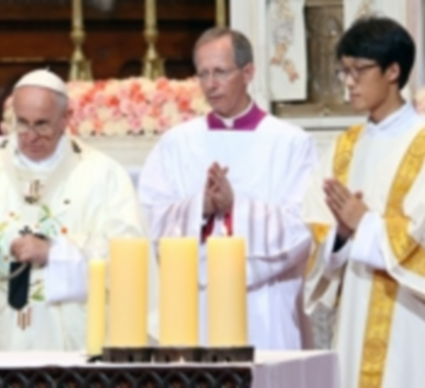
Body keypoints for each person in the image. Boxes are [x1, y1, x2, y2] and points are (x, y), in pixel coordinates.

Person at [0, 69, 148, 350]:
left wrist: (55, 253)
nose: (31, 136)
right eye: (22, 124)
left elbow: (129, 253)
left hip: (69, 341)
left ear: (65, 120)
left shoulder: (102, 175)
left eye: (42, 125)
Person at [138, 27, 317, 349]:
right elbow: (149, 216)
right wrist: (200, 208)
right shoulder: (177, 143)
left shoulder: (291, 142)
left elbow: (303, 227)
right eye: (203, 74)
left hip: (264, 303)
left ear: (248, 72)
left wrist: (236, 206)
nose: (210, 84)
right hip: (194, 303)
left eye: (220, 72)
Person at [304, 17, 424, 387]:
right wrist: (339, 236)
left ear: (393, 71)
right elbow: (316, 234)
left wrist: (364, 224)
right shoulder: (343, 148)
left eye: (359, 70)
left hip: (410, 320)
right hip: (355, 310)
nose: (349, 82)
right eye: (344, 71)